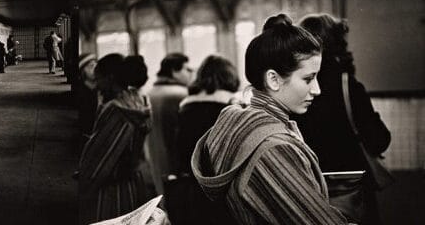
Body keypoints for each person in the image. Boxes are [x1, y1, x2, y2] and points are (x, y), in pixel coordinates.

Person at [190, 14, 350, 224]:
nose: (317, 89)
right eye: (308, 79)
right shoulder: (274, 147)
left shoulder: (233, 119)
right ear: (273, 79)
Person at [294, 14, 391, 225]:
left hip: (308, 187)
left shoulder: (293, 87)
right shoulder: (349, 86)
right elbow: (379, 139)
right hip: (353, 189)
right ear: (336, 42)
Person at [78, 54, 154, 224]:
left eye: (99, 79)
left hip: (112, 190)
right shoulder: (138, 100)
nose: (97, 85)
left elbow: (98, 159)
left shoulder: (115, 110)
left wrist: (84, 182)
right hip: (136, 183)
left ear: (110, 78)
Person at [168, 55, 240, 225]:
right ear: (229, 76)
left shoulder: (186, 106)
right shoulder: (231, 106)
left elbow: (180, 149)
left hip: (191, 187)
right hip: (222, 189)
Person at [145, 53, 193, 196]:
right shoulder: (181, 95)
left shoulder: (149, 94)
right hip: (176, 165)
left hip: (152, 162)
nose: (191, 74)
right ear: (174, 71)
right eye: (187, 70)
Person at [75, 53, 98, 146]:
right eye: (91, 66)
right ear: (82, 71)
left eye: (96, 65)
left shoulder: (101, 87)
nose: (95, 69)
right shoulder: (82, 91)